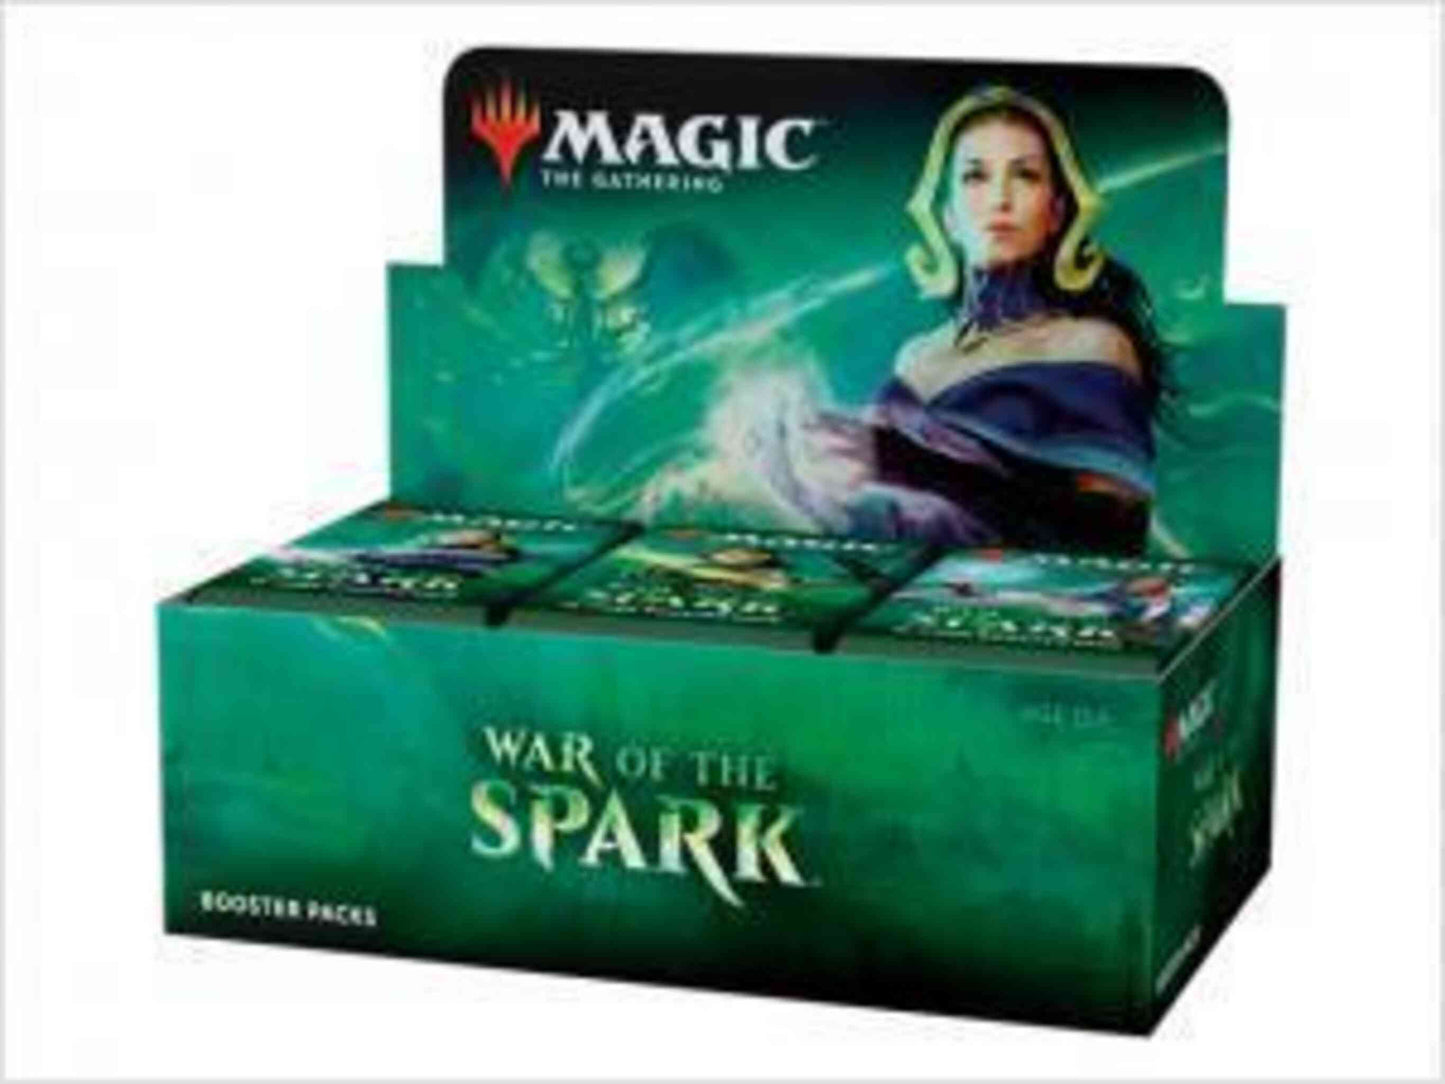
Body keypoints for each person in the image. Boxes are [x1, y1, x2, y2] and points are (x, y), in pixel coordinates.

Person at [813, 85, 1167, 553]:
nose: (1000, 198)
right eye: (975, 177)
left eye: (1025, 176)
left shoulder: (1091, 346)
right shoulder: (915, 358)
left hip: (1022, 594)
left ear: (1056, 212)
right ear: (948, 217)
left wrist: (914, 464)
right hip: (898, 589)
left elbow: (1111, 538)